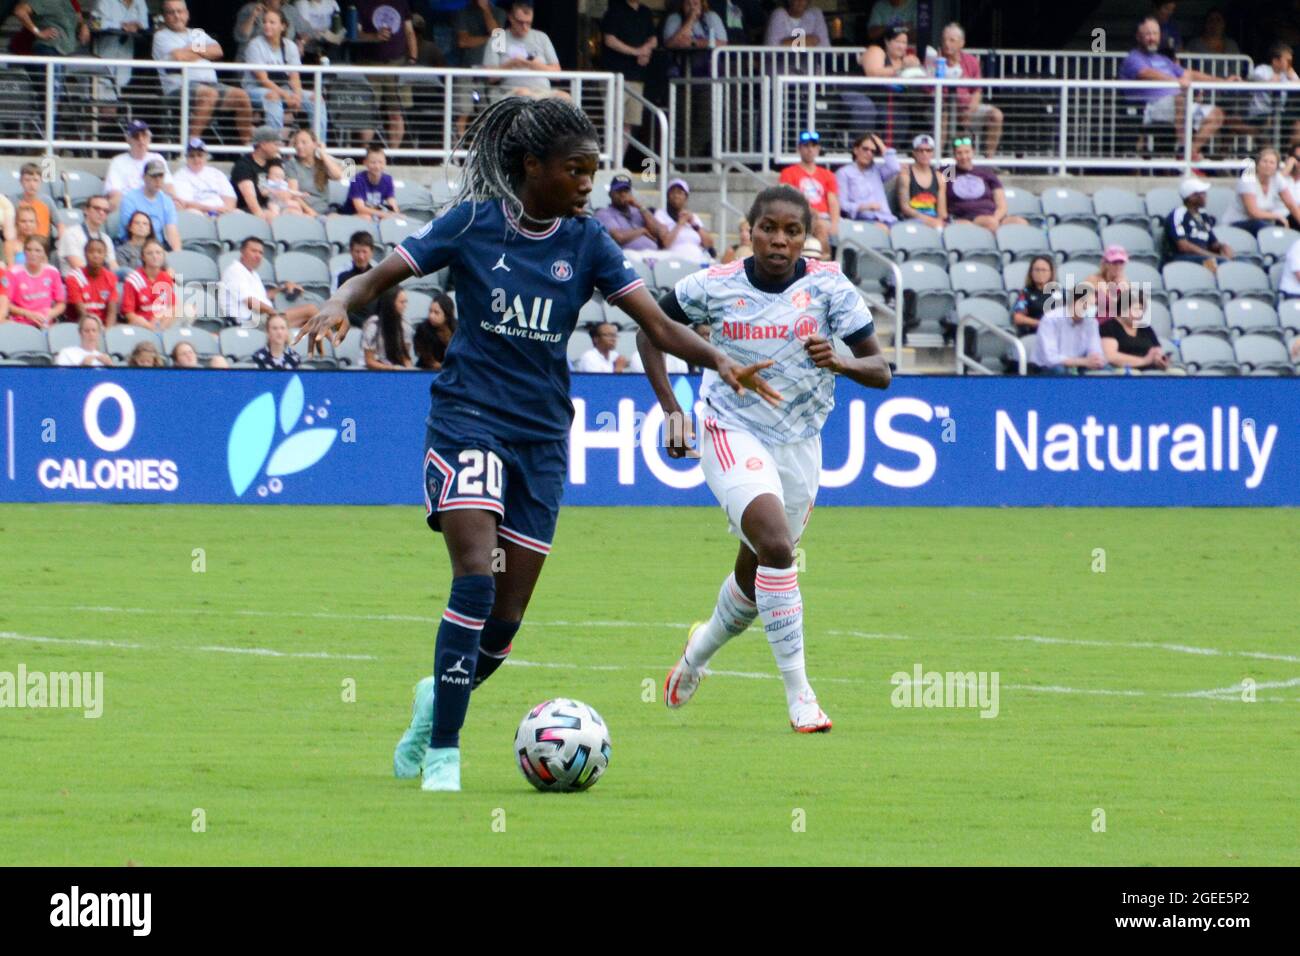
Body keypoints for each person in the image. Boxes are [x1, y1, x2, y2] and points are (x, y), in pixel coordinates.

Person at [294, 94, 775, 793]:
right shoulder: (473, 224)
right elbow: (382, 275)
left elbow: (659, 327)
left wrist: (720, 360)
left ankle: (436, 703)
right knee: (473, 577)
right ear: (533, 166)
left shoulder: (588, 244)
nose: (589, 184)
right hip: (467, 424)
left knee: (506, 619)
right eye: (577, 171)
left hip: (543, 440)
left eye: (593, 171)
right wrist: (343, 300)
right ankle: (446, 756)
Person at [641, 183, 890, 732]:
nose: (779, 240)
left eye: (792, 231)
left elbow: (882, 372)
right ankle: (801, 696)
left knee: (757, 579)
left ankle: (695, 656)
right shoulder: (715, 284)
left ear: (807, 238)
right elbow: (652, 331)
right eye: (768, 229)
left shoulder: (831, 289)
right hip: (730, 428)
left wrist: (842, 362)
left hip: (799, 442)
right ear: (747, 232)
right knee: (778, 547)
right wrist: (672, 410)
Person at [1118, 16, 1233, 162]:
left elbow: (1189, 74)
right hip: (1150, 108)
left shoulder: (1163, 59)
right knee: (1181, 96)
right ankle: (1182, 142)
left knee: (1216, 114)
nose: (1152, 38)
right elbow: (1146, 73)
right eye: (1147, 34)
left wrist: (1223, 81)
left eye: (1155, 33)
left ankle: (1186, 154)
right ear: (1138, 36)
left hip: (1178, 106)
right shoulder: (1133, 58)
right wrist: (1177, 82)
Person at [152, 0, 254, 145]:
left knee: (241, 96)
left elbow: (218, 51)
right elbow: (180, 57)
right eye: (171, 12)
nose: (176, 16)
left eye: (180, 11)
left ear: (187, 14)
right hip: (179, 88)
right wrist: (203, 52)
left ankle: (247, 149)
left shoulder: (196, 33)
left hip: (211, 85)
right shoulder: (161, 36)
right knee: (209, 94)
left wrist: (190, 51)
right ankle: (191, 146)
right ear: (165, 16)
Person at [242, 6, 327, 137]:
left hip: (284, 89)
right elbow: (262, 79)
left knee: (316, 98)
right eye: (264, 22)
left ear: (283, 26)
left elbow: (294, 76)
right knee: (273, 97)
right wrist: (286, 96)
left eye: (272, 22)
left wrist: (297, 96)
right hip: (256, 89)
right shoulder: (255, 45)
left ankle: (319, 148)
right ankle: (275, 147)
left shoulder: (290, 46)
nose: (266, 25)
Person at [353, 0, 418, 148]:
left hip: (397, 63)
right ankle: (367, 154)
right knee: (368, 113)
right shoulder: (361, 3)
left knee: (396, 114)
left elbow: (409, 31)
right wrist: (374, 37)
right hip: (370, 64)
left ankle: (392, 157)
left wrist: (413, 59)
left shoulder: (401, 3)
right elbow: (356, 33)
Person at [221, 236, 319, 330]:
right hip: (249, 322)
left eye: (260, 253)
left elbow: (263, 297)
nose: (258, 255)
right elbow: (250, 302)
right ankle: (333, 342)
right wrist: (274, 313)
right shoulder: (235, 271)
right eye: (253, 251)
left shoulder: (253, 273)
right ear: (242, 252)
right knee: (311, 310)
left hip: (262, 319)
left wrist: (283, 288)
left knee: (308, 324)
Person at [934, 23, 1002, 157]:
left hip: (967, 109)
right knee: (944, 115)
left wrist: (970, 110)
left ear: (961, 43)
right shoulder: (935, 60)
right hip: (940, 108)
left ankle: (989, 160)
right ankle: (939, 161)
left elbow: (977, 90)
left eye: (952, 40)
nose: (947, 44)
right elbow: (928, 89)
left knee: (996, 115)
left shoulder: (971, 61)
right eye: (944, 40)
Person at [601, 0, 657, 159]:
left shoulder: (645, 12)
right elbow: (609, 40)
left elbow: (654, 38)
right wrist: (636, 52)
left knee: (628, 123)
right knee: (612, 122)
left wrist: (646, 50)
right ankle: (607, 162)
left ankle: (618, 162)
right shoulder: (614, 10)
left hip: (637, 76)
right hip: (616, 76)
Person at [481, 0, 562, 102]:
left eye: (528, 23)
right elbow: (490, 77)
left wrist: (534, 65)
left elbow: (557, 74)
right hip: (510, 93)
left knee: (565, 97)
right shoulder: (499, 38)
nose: (524, 27)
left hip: (543, 93)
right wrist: (511, 64)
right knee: (524, 94)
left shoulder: (542, 37)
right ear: (510, 17)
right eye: (520, 22)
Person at [778, 131, 840, 258]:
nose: (810, 149)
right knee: (820, 226)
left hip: (824, 218)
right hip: (800, 216)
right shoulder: (788, 173)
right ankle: (825, 263)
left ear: (818, 149)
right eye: (806, 146)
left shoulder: (827, 174)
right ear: (799, 149)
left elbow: (833, 201)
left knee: (825, 226)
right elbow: (788, 200)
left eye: (813, 146)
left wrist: (835, 224)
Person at [858, 25, 922, 146]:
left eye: (904, 42)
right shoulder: (876, 50)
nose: (901, 46)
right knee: (896, 116)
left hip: (901, 100)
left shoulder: (904, 60)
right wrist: (902, 66)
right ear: (887, 41)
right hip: (873, 97)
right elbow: (873, 73)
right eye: (897, 41)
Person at [945, 138, 1025, 231]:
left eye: (967, 152)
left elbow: (1002, 205)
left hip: (993, 216)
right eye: (959, 153)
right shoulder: (949, 172)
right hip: (966, 217)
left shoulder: (986, 172)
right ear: (954, 155)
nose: (964, 157)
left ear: (973, 152)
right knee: (989, 223)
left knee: (1020, 222)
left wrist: (995, 218)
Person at [453, 0, 506, 139]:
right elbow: (463, 41)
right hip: (468, 69)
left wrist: (486, 10)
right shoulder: (463, 12)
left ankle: (485, 149)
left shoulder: (499, 12)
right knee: (463, 111)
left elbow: (498, 40)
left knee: (489, 112)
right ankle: (456, 154)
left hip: (490, 71)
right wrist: (489, 39)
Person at [1029, 284, 1105, 374]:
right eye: (1086, 304)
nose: (1089, 308)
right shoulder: (1051, 319)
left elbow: (1095, 348)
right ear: (1073, 301)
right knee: (1060, 371)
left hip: (1078, 365)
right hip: (1046, 367)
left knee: (1105, 370)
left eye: (1093, 305)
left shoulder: (1091, 322)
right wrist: (1084, 362)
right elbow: (1050, 359)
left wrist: (1096, 359)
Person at [1224, 148, 1300, 234]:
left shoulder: (1277, 179)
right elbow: (1253, 212)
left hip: (1263, 222)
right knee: (1267, 227)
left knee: (1293, 220)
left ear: (1276, 167)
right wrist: (1277, 216)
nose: (1268, 165)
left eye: (1272, 163)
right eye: (1264, 161)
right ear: (1257, 164)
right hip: (1238, 222)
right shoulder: (1248, 180)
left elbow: (1291, 205)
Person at [593, 173, 669, 259]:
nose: (623, 194)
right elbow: (619, 237)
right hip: (627, 257)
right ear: (610, 194)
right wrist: (642, 230)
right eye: (619, 191)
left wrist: (640, 206)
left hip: (653, 255)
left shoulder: (638, 211)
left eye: (626, 191)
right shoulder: (603, 213)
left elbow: (659, 232)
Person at [1166, 177, 1234, 272]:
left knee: (1241, 263)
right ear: (1191, 197)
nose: (1205, 196)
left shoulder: (1202, 215)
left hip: (1204, 258)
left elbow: (1213, 243)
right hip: (1183, 259)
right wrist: (1213, 256)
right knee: (1220, 265)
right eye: (1201, 193)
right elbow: (1183, 246)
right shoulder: (1178, 214)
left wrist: (1223, 246)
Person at [104, 120, 174, 211]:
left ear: (149, 138)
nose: (141, 140)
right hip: (129, 207)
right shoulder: (117, 162)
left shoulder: (158, 158)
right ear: (128, 140)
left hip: (156, 204)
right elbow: (114, 193)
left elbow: (169, 187)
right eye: (136, 136)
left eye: (144, 135)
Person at [835, 132, 898, 230]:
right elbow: (842, 204)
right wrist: (864, 207)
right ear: (855, 150)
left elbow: (895, 168)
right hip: (862, 221)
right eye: (865, 149)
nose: (869, 153)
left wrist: (880, 144)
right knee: (884, 231)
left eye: (873, 151)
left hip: (888, 219)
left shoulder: (877, 171)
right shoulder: (844, 173)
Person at [118, 160, 182, 253]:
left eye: (161, 176)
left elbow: (172, 231)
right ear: (144, 177)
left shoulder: (167, 201)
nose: (158, 180)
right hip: (133, 246)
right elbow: (133, 231)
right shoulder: (130, 199)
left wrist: (177, 254)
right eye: (153, 176)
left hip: (158, 247)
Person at [1100, 288, 1170, 371]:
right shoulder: (1109, 327)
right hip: (1123, 370)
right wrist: (1144, 361)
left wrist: (1160, 360)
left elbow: (1157, 351)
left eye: (1141, 309)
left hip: (1150, 370)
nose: (1139, 314)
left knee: (1177, 373)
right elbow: (1110, 357)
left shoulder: (1146, 328)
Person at [282, 129, 346, 217]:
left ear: (314, 144)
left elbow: (338, 176)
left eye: (304, 142)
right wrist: (311, 212)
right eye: (296, 143)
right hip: (303, 211)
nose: (299, 146)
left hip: (326, 211)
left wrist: (323, 153)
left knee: (337, 220)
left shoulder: (322, 162)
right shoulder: (291, 164)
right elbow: (294, 194)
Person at [4, 237, 65, 328]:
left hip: (45, 324)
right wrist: (28, 314)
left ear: (45, 253)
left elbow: (61, 303)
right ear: (24, 252)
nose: (33, 254)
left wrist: (51, 313)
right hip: (21, 324)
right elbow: (5, 304)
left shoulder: (52, 272)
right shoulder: (13, 273)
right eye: (29, 250)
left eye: (38, 250)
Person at [651, 178, 715, 264]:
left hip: (698, 260)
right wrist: (680, 223)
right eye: (673, 192)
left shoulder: (693, 217)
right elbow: (666, 243)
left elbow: (709, 243)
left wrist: (694, 224)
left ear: (686, 197)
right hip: (674, 262)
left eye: (680, 193)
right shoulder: (661, 214)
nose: (676, 196)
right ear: (668, 196)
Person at [1247, 43, 1300, 146]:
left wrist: (1291, 73)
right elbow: (1254, 80)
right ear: (1276, 61)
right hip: (1260, 113)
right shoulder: (1262, 70)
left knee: (1298, 124)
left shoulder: (1287, 73)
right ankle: (1269, 152)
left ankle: (1287, 153)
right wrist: (1272, 81)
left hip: (1280, 112)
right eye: (1287, 61)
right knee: (1269, 122)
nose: (1290, 63)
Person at [171, 139, 238, 217]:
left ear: (206, 156)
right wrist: (212, 209)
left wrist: (226, 210)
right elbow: (185, 203)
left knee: (238, 214)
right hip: (199, 214)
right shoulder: (180, 176)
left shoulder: (217, 173)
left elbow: (230, 198)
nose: (196, 159)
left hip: (221, 213)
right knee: (194, 213)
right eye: (192, 156)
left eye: (200, 155)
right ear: (187, 158)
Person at [121, 239, 178, 329]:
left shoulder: (166, 278)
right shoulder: (134, 279)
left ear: (163, 256)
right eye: (150, 253)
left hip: (162, 321)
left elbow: (173, 306)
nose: (155, 256)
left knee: (187, 309)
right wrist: (149, 326)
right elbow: (128, 313)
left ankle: (160, 334)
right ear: (143, 257)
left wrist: (159, 317)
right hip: (142, 323)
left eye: (158, 253)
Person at [231, 126, 283, 221]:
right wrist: (261, 216)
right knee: (272, 217)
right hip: (247, 211)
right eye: (276, 144)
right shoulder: (243, 165)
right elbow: (250, 199)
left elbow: (280, 189)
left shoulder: (273, 161)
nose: (278, 148)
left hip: (271, 207)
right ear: (263, 145)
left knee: (294, 211)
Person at [65, 238, 119, 326]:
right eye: (91, 252)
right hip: (80, 325)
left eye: (100, 252)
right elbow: (81, 312)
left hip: (104, 326)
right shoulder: (74, 277)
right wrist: (96, 329)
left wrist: (108, 332)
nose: (95, 255)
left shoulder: (111, 277)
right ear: (85, 254)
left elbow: (112, 312)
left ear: (105, 255)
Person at [896, 134, 946, 227]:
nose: (924, 154)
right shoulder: (906, 175)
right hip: (911, 220)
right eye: (920, 150)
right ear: (914, 153)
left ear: (932, 153)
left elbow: (942, 212)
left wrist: (939, 222)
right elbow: (905, 208)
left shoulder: (939, 177)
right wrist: (928, 220)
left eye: (928, 150)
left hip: (934, 221)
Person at [57, 195, 118, 271]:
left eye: (105, 211)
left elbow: (113, 266)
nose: (101, 213)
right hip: (78, 280)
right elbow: (78, 266)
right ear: (86, 210)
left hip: (101, 278)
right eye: (97, 208)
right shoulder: (71, 234)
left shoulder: (106, 239)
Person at [362, 288, 414, 370]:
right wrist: (391, 368)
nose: (405, 306)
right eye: (402, 302)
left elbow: (405, 357)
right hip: (373, 370)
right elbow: (369, 361)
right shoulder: (373, 326)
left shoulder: (406, 325)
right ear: (391, 303)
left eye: (406, 302)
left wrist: (409, 370)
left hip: (396, 367)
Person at [336, 231, 380, 326]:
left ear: (371, 252)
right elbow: (342, 307)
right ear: (351, 252)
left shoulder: (379, 276)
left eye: (364, 252)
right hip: (352, 325)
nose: (361, 256)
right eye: (357, 252)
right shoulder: (343, 277)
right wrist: (364, 324)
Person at [233, 0, 304, 59]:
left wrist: (301, 42)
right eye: (264, 22)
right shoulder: (250, 9)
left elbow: (308, 31)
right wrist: (253, 16)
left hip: (282, 59)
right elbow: (240, 36)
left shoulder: (290, 11)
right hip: (249, 59)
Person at [347, 144, 401, 219]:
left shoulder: (388, 179)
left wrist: (396, 214)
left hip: (375, 213)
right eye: (373, 162)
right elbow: (360, 208)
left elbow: (392, 202)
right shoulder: (357, 180)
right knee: (366, 217)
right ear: (365, 163)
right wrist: (383, 214)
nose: (377, 166)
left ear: (385, 162)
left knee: (389, 218)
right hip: (353, 214)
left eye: (380, 162)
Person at [1084, 246, 1132, 323]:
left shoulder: (1125, 282)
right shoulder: (1093, 279)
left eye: (1121, 263)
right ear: (1106, 264)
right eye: (1114, 263)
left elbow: (1127, 310)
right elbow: (1085, 304)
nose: (1118, 267)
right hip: (1097, 323)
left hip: (1117, 325)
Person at [1011, 255, 1056, 335]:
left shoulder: (1060, 292)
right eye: (1036, 270)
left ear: (1051, 273)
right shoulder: (1025, 293)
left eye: (1044, 270)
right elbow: (1017, 318)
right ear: (1031, 273)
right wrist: (1040, 323)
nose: (1040, 273)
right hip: (1035, 334)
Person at [412, 293, 457, 370]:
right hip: (427, 371)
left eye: (436, 312)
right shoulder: (423, 329)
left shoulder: (458, 328)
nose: (431, 316)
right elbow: (429, 361)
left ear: (447, 314)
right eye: (430, 311)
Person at [763, 0, 829, 48]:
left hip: (810, 66)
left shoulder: (815, 14)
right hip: (782, 66)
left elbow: (825, 47)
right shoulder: (779, 14)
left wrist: (788, 42)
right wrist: (808, 40)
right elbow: (772, 48)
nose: (800, 1)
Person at [16, 163, 53, 241]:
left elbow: (60, 225)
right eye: (27, 180)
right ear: (21, 181)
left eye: (35, 180)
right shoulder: (13, 201)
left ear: (41, 182)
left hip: (42, 245)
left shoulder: (47, 201)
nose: (32, 184)